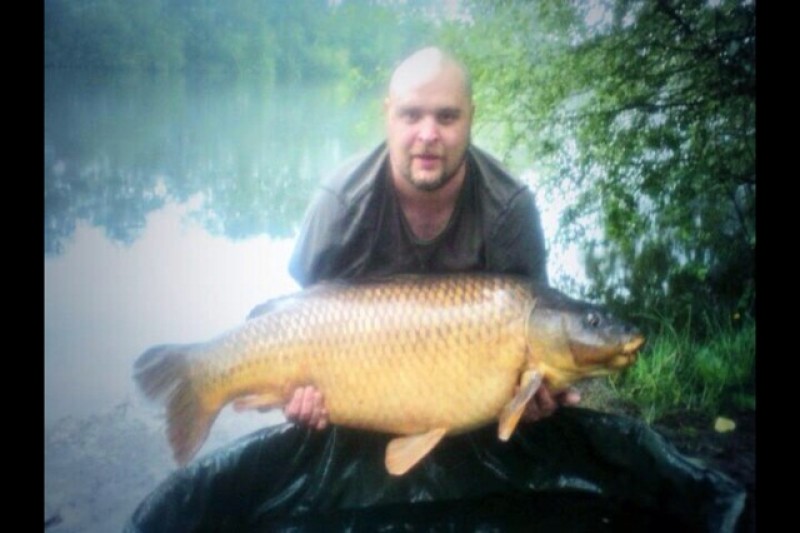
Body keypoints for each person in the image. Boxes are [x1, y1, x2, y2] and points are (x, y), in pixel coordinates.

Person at [282, 46, 580, 431]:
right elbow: (303, 318)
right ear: (388, 115)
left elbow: (534, 319)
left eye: (447, 117)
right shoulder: (340, 205)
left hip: (472, 414)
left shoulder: (509, 208)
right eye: (411, 115)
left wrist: (534, 396)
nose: (428, 135)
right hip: (357, 405)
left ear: (471, 117)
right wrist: (298, 394)